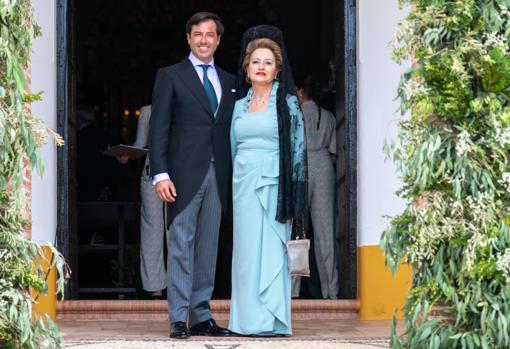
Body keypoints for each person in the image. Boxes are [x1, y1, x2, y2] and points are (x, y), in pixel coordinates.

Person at [148, 12, 236, 339]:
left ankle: (201, 315)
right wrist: (160, 174)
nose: (203, 40)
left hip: (219, 175)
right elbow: (159, 130)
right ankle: (178, 318)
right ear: (188, 38)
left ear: (218, 40)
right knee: (181, 245)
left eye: (210, 35)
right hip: (183, 175)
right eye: (197, 34)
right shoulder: (171, 76)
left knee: (208, 246)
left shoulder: (229, 82)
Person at [228, 26, 307, 336]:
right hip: (243, 184)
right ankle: (247, 321)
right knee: (246, 254)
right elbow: (233, 150)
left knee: (273, 251)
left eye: (268, 63)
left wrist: (296, 196)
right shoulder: (237, 107)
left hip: (277, 185)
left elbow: (298, 151)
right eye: (255, 62)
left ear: (277, 70)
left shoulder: (288, 104)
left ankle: (273, 320)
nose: (261, 67)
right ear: (247, 70)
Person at [293, 75, 339, 299]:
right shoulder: (329, 117)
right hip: (324, 168)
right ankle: (332, 291)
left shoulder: (295, 115)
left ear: (301, 92)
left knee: (296, 231)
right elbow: (333, 154)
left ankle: (291, 292)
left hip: (300, 167)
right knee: (325, 233)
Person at [117, 105, 166, 297]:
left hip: (181, 176)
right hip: (150, 175)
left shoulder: (188, 103)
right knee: (152, 231)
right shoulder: (148, 111)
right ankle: (156, 289)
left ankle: (182, 287)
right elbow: (140, 143)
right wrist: (127, 154)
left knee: (177, 232)